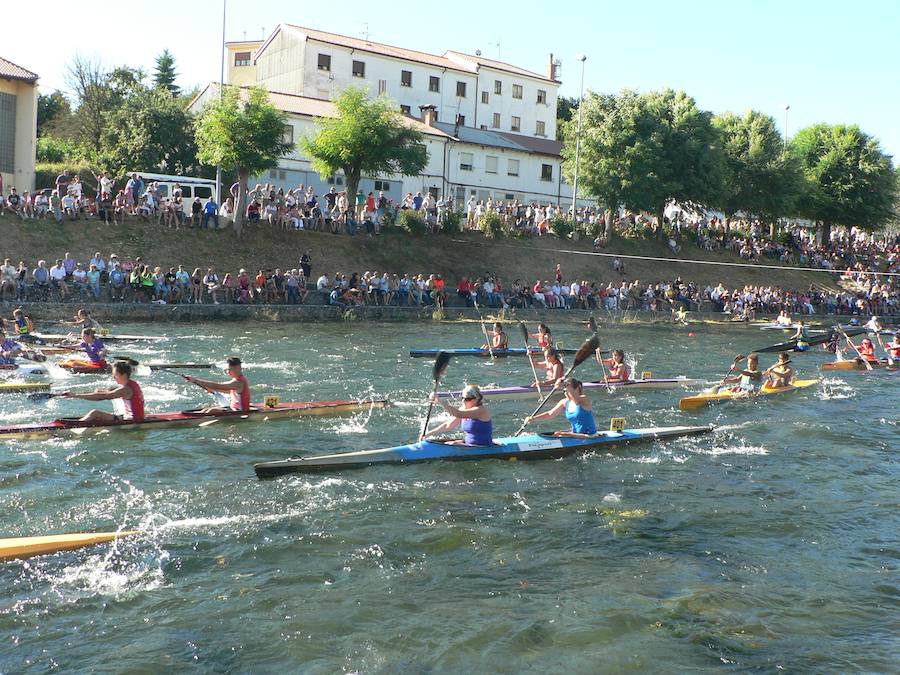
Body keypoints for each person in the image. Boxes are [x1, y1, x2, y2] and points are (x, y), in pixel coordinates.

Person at [62, 361, 145, 423]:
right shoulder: (133, 384)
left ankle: (73, 426)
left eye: (115, 375)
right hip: (131, 417)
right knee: (97, 417)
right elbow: (110, 393)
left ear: (124, 375)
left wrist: (76, 395)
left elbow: (103, 396)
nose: (113, 377)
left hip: (132, 420)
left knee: (95, 413)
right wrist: (102, 391)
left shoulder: (126, 389)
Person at [525, 378, 598, 437]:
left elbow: (575, 400)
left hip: (590, 436)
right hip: (576, 435)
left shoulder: (583, 399)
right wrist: (533, 418)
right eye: (564, 391)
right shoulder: (564, 402)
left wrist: (563, 384)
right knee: (556, 434)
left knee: (560, 434)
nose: (565, 393)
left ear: (576, 389)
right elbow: (550, 414)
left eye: (567, 390)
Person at [425, 384, 493, 446]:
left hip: (483, 446)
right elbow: (448, 425)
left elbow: (458, 414)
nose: (463, 401)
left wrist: (440, 401)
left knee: (452, 444)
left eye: (467, 399)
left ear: (477, 398)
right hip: (469, 444)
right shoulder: (464, 408)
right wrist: (429, 433)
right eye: (462, 398)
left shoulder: (480, 410)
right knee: (447, 443)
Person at [184, 356, 250, 413]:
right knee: (205, 410)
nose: (228, 372)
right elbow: (231, 392)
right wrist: (214, 390)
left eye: (229, 369)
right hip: (234, 408)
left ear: (237, 368)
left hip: (239, 411)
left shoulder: (238, 382)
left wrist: (195, 380)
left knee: (210, 411)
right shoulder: (237, 380)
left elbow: (218, 385)